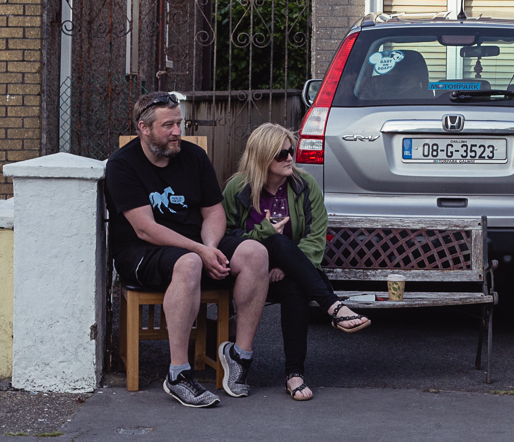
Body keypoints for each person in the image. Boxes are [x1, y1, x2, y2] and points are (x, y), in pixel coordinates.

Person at [103, 92, 272, 407]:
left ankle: (239, 356)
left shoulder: (194, 157)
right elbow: (145, 228)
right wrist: (200, 251)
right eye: (168, 125)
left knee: (254, 254)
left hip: (196, 243)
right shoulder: (122, 165)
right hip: (140, 252)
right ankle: (178, 373)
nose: (177, 131)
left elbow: (214, 212)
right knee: (190, 263)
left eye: (179, 123)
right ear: (144, 128)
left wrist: (210, 246)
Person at [218, 122, 370, 401]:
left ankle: (294, 374)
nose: (289, 158)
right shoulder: (237, 189)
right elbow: (226, 238)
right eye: (280, 154)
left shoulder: (304, 186)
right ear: (262, 157)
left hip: (289, 274)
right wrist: (264, 238)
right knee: (274, 241)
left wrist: (284, 265)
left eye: (291, 151)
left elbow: (315, 238)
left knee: (295, 286)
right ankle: (333, 306)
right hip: (248, 277)